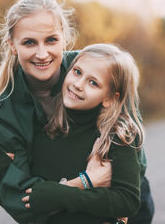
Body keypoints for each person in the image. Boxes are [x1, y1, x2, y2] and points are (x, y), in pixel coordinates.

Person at [0, 0, 154, 223]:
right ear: (12, 46)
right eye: (29, 42)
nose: (42, 54)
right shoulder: (3, 115)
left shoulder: (100, 69)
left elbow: (132, 171)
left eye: (51, 40)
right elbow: (27, 203)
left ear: (64, 37)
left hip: (122, 210)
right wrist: (86, 182)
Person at [22, 44, 145, 224]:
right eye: (77, 72)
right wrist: (85, 183)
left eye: (93, 82)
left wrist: (61, 194)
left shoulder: (116, 136)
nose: (78, 85)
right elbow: (33, 196)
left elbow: (127, 201)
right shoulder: (46, 128)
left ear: (109, 99)